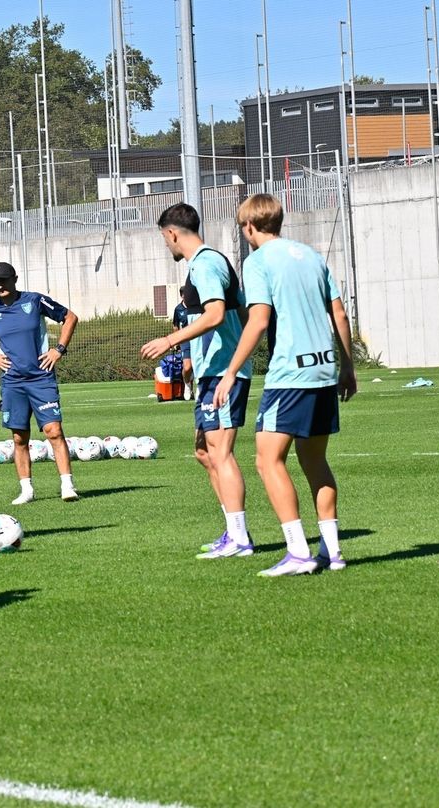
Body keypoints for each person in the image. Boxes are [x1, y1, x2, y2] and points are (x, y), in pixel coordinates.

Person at [215, 193, 357, 577]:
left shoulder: (258, 262)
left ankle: (298, 552)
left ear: (248, 227)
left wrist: (230, 371)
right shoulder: (311, 255)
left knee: (267, 459)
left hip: (289, 375)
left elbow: (259, 320)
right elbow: (339, 314)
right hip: (324, 371)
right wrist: (348, 366)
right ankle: (333, 551)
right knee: (314, 461)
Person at [140, 203, 254, 560]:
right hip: (211, 372)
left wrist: (171, 341)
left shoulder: (204, 264)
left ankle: (240, 540)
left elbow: (217, 314)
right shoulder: (205, 264)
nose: (166, 245)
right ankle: (233, 531)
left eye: (164, 239)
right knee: (205, 451)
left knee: (221, 452)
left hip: (223, 373)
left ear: (172, 233)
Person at [0, 261, 80, 505]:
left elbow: (70, 317)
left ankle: (67, 485)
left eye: (3, 280)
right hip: (12, 382)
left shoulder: (34, 301)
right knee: (19, 438)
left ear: (15, 279)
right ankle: (27, 490)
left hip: (41, 378)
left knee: (54, 431)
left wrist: (59, 350)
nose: (0, 285)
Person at [172, 287, 195, 400]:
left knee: (198, 365)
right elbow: (175, 326)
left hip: (197, 339)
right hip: (185, 340)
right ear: (182, 296)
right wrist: (177, 341)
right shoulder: (178, 309)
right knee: (187, 367)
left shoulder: (196, 306)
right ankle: (187, 385)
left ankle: (199, 388)